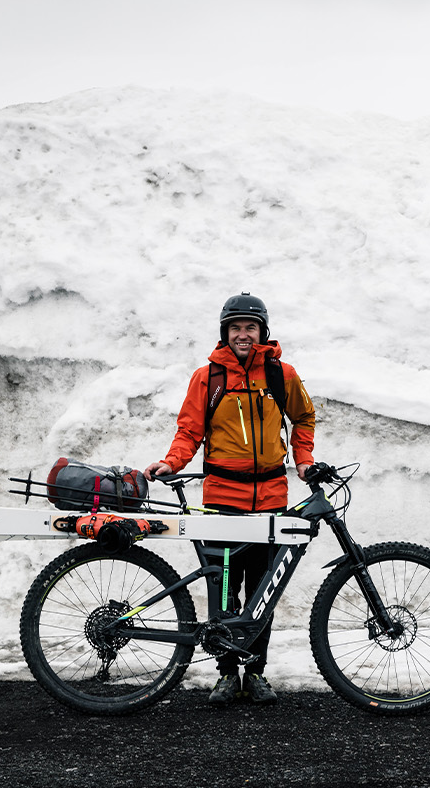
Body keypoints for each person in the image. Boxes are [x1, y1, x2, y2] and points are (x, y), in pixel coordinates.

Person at [146, 293, 317, 707]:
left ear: (263, 332)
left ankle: (255, 673)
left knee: (262, 591)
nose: (243, 335)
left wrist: (305, 461)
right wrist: (172, 462)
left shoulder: (282, 375)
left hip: (271, 497)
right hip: (221, 501)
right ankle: (226, 674)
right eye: (236, 327)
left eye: (250, 327)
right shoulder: (208, 378)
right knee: (224, 590)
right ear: (225, 333)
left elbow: (304, 418)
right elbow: (189, 431)